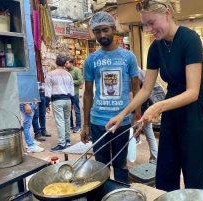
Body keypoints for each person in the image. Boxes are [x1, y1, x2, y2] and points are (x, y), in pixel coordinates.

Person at [106, 0, 203, 192]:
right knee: (165, 173)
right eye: (145, 24)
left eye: (152, 22)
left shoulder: (190, 39)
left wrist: (158, 106)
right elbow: (146, 90)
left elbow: (193, 92)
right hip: (171, 115)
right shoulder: (156, 48)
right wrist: (123, 114)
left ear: (168, 13)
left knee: (193, 179)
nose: (149, 29)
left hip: (193, 115)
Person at [80, 11, 141, 184]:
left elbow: (137, 88)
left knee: (120, 165)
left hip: (121, 122)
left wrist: (137, 117)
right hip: (98, 121)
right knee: (100, 166)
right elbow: (88, 93)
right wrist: (85, 124)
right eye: (97, 31)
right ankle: (102, 194)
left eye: (105, 30)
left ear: (114, 29)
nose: (102, 35)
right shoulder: (91, 60)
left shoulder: (128, 57)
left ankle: (120, 194)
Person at [130, 67, 159, 164]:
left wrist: (136, 117)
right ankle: (155, 158)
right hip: (148, 107)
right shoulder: (143, 73)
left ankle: (123, 157)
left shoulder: (134, 76)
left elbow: (132, 98)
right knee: (150, 135)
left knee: (126, 132)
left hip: (139, 110)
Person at [45, 55, 74, 152]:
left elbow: (48, 90)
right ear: (65, 64)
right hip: (68, 99)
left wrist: (46, 104)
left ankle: (62, 144)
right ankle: (67, 139)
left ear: (56, 62)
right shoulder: (68, 75)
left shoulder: (50, 74)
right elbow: (71, 89)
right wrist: (72, 102)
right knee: (66, 120)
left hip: (57, 100)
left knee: (60, 121)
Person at [65, 58, 83, 133]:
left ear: (71, 63)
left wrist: (70, 81)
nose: (65, 64)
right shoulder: (65, 71)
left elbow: (80, 81)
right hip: (67, 93)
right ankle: (71, 124)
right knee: (68, 109)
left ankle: (78, 125)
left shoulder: (77, 70)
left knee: (76, 109)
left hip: (74, 93)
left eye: (67, 63)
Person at [32, 73, 51, 142]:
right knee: (35, 116)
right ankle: (37, 133)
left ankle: (43, 130)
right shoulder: (32, 69)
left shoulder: (43, 70)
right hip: (35, 96)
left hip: (43, 94)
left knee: (43, 115)